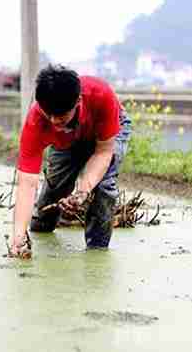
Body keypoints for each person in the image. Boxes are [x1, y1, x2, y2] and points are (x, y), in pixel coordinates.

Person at [10, 64, 132, 256]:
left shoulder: (101, 95)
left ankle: (97, 251)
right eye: (47, 114)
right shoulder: (37, 122)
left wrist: (83, 191)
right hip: (66, 142)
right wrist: (18, 236)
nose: (53, 121)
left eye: (60, 116)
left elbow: (103, 153)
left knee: (103, 187)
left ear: (78, 101)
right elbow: (27, 183)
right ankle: (40, 228)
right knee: (55, 189)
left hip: (105, 133)